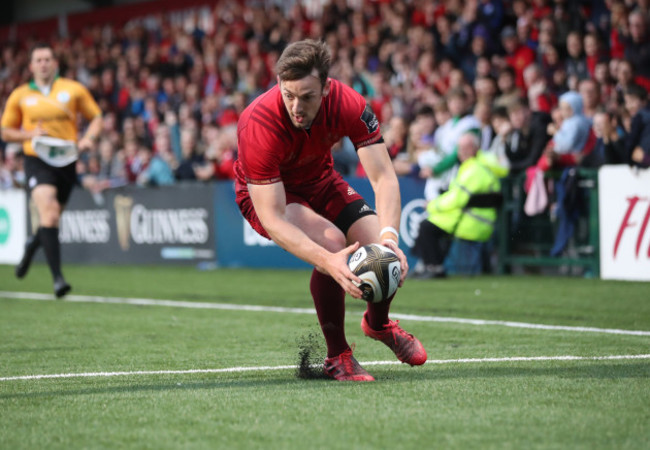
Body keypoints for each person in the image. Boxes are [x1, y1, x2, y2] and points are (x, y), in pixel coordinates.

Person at [234, 40, 426, 382]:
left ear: (326, 88)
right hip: (267, 197)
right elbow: (274, 218)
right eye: (288, 94)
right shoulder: (258, 123)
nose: (296, 106)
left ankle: (378, 325)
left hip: (321, 179)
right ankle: (337, 356)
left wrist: (390, 238)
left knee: (384, 254)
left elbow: (383, 177)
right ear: (278, 84)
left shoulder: (349, 103)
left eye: (307, 96)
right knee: (334, 246)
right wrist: (328, 261)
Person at [1, 43, 102, 297]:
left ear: (55, 63)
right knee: (49, 209)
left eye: (48, 59)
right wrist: (28, 133)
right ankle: (58, 279)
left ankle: (31, 245)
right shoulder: (20, 95)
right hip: (36, 159)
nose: (44, 64)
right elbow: (5, 131)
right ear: (31, 66)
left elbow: (97, 117)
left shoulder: (74, 89)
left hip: (67, 160)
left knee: (51, 218)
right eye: (39, 60)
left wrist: (89, 137)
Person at [411, 132, 508, 279]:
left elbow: (456, 199)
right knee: (429, 223)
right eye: (459, 147)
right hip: (474, 218)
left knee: (426, 226)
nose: (461, 151)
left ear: (475, 148)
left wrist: (432, 205)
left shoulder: (473, 169)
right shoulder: (478, 165)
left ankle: (434, 268)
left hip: (473, 222)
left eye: (465, 147)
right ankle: (427, 265)